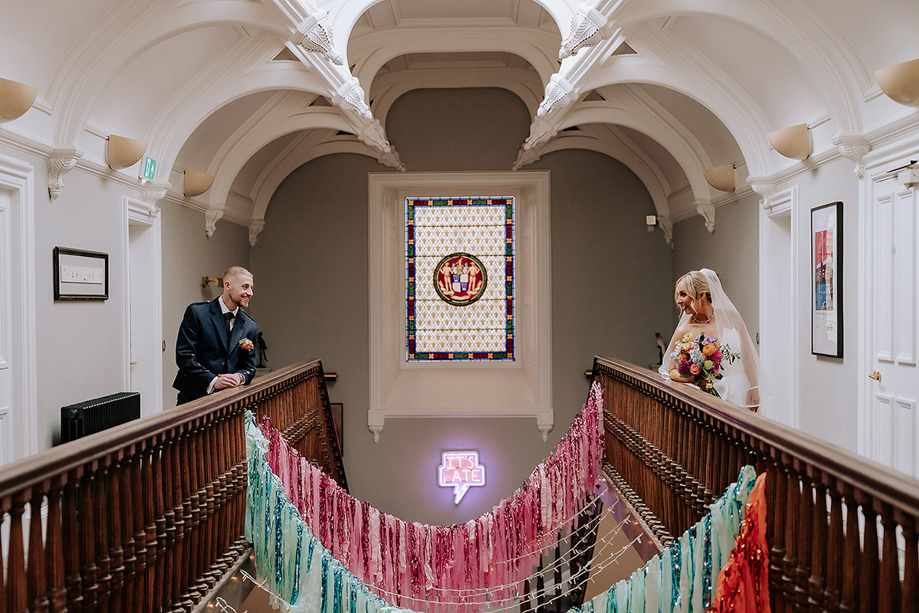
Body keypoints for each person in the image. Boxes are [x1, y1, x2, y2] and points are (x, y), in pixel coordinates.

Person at [659, 269, 762, 411]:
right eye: (677, 295)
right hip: (707, 397)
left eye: (683, 294)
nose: (678, 301)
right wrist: (693, 378)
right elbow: (671, 370)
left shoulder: (732, 318)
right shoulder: (683, 330)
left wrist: (754, 387)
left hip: (739, 391)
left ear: (701, 294)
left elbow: (747, 355)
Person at [173, 266, 259, 404]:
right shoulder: (197, 313)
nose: (250, 293)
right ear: (228, 286)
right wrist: (213, 381)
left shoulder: (250, 326)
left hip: (231, 401)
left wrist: (239, 377)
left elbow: (249, 367)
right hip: (194, 397)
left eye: (251, 288)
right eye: (245, 287)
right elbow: (184, 356)